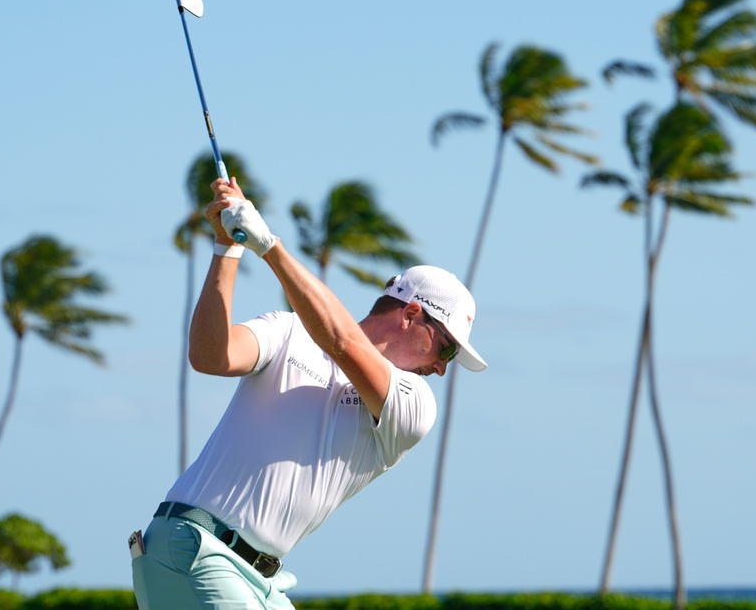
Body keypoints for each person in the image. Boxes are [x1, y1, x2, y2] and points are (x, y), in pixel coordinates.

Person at [130, 177, 488, 610]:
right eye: (446, 346)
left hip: (259, 579)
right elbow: (211, 356)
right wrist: (228, 248)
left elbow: (342, 343)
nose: (444, 367)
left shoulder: (415, 406)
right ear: (412, 315)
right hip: (195, 548)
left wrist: (270, 245)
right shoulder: (286, 330)